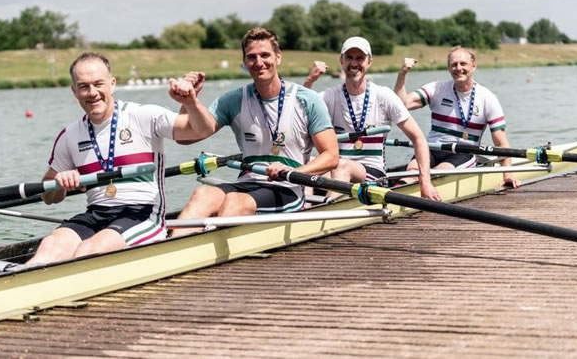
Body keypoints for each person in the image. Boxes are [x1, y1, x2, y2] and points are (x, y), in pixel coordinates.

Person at [27, 52, 216, 264]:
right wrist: (59, 182)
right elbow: (48, 197)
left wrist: (190, 102)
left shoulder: (143, 116)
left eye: (99, 84)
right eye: (83, 86)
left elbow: (201, 130)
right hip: (96, 214)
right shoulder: (69, 136)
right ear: (74, 91)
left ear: (112, 84)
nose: (92, 93)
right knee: (50, 246)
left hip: (143, 215)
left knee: (91, 249)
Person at [173, 27, 338, 236]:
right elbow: (185, 137)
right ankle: (174, 247)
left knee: (235, 200)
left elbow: (331, 156)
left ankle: (201, 248)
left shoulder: (307, 100)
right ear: (244, 62)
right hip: (248, 183)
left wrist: (293, 173)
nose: (259, 62)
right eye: (251, 57)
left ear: (278, 57)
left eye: (265, 55)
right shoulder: (233, 100)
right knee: (202, 194)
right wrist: (189, 101)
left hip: (287, 187)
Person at [303, 37, 441, 201]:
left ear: (369, 62)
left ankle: (324, 217)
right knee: (305, 163)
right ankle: (304, 208)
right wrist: (309, 81)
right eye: (349, 58)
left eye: (360, 58)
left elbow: (418, 138)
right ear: (341, 61)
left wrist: (425, 182)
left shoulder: (383, 96)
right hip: (337, 167)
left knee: (342, 165)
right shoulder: (329, 96)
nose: (354, 63)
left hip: (372, 174)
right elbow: (296, 114)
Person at [394, 46, 520, 188]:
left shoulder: (488, 99)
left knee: (437, 173)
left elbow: (500, 143)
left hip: (463, 152)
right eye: (454, 64)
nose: (458, 68)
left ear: (474, 67)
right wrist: (402, 75)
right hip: (431, 149)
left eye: (463, 64)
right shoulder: (437, 88)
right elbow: (401, 105)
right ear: (449, 68)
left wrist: (507, 175)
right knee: (411, 173)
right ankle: (397, 193)